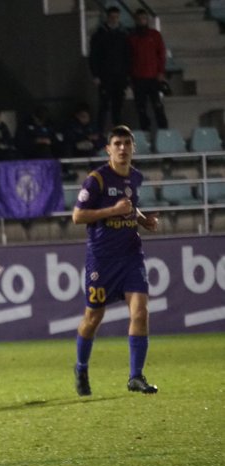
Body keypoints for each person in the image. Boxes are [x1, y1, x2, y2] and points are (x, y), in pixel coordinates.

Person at [72, 125, 159, 396]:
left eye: (126, 143)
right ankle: (81, 367)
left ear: (134, 147)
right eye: (117, 144)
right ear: (108, 149)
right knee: (93, 317)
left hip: (131, 255)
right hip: (102, 260)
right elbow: (78, 216)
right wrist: (112, 210)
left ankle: (136, 376)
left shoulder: (135, 177)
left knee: (141, 312)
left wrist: (143, 220)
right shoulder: (96, 180)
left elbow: (130, 207)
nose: (122, 148)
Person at [89, 5, 130, 133]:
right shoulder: (99, 35)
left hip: (119, 76)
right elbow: (94, 56)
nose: (114, 19)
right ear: (107, 18)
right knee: (104, 105)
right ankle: (101, 131)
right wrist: (95, 75)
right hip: (105, 76)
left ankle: (118, 130)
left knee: (118, 105)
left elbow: (127, 56)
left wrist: (127, 75)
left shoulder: (123, 35)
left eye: (116, 17)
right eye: (112, 17)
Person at [129, 9, 169, 132]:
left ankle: (164, 129)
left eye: (144, 19)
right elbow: (128, 57)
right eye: (139, 19)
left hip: (153, 77)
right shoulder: (131, 37)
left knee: (157, 105)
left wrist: (161, 71)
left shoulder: (155, 35)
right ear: (135, 20)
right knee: (141, 107)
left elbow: (161, 54)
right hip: (138, 77)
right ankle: (145, 129)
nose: (142, 21)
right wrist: (130, 76)